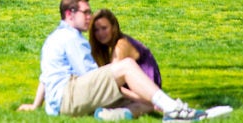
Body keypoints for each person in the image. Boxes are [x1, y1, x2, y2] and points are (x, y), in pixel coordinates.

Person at [31, 0, 230, 121]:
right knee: (125, 66)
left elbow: (44, 77)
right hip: (69, 98)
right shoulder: (71, 38)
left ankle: (116, 115)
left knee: (145, 102)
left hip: (61, 103)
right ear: (69, 14)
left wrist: (35, 105)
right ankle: (175, 109)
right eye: (86, 12)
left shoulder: (56, 37)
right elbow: (95, 77)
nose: (89, 17)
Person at [20, 8, 162, 116]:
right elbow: (49, 75)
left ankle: (148, 106)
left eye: (104, 28)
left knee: (145, 104)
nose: (100, 33)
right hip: (133, 91)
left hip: (144, 89)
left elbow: (114, 84)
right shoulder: (101, 48)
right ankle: (119, 114)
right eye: (96, 30)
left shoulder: (121, 45)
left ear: (114, 27)